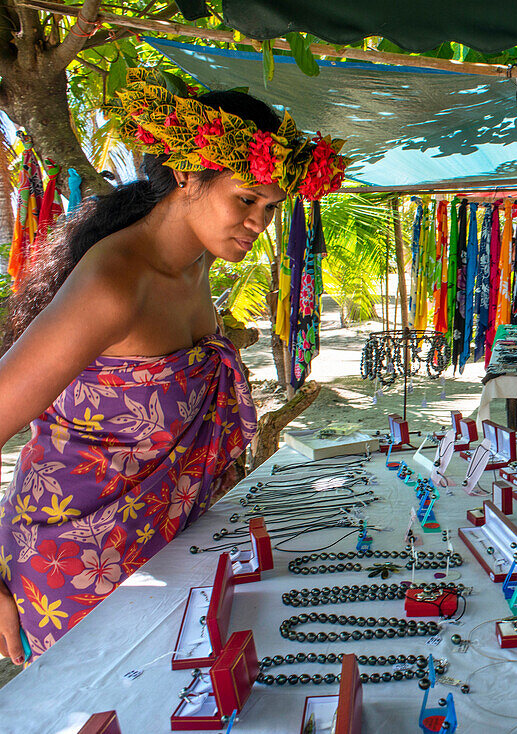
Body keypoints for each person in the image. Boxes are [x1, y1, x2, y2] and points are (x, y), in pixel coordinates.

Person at [0, 69, 347, 663]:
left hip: (165, 554)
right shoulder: (115, 284)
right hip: (75, 570)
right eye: (245, 199)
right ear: (188, 173)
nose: (259, 224)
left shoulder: (194, 271)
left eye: (270, 206)